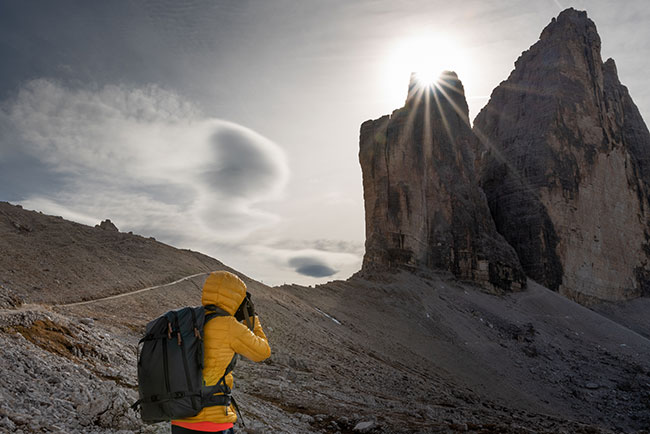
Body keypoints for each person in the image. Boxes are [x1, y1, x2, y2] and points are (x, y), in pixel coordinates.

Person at [171, 271, 271, 433]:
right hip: (213, 421)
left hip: (180, 418)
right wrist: (251, 317)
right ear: (236, 297)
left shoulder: (188, 320)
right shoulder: (229, 326)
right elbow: (263, 352)